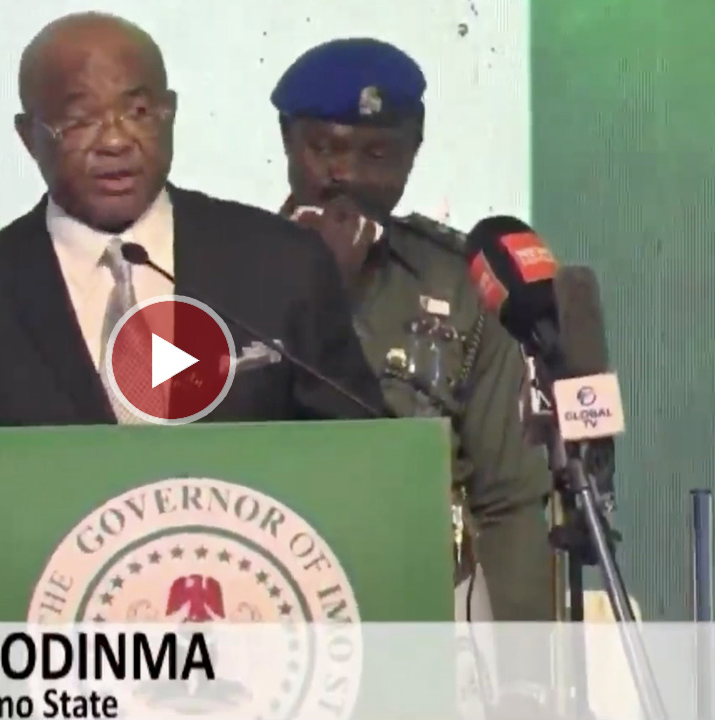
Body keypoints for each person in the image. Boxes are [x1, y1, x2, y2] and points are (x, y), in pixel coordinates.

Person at [0, 14, 384, 617]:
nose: (114, 141)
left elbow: (363, 452)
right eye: (80, 119)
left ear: (169, 114)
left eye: (137, 112)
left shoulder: (281, 264)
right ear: (28, 136)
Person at [269, 38, 555, 624]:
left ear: (413, 151)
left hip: (422, 603)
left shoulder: (465, 285)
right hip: (267, 596)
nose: (345, 174)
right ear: (287, 142)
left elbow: (509, 501)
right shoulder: (217, 268)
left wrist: (525, 667)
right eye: (323, 148)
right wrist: (317, 287)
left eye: (376, 154)